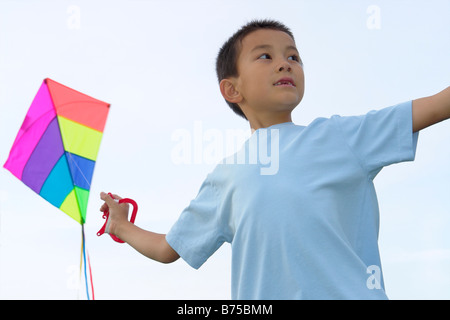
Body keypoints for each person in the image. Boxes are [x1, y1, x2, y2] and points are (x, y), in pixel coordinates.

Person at [100, 20, 450, 299]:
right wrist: (121, 226)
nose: (286, 62)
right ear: (232, 90)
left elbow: (436, 104)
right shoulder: (227, 176)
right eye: (265, 56)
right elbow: (168, 248)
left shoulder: (342, 137)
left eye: (293, 57)